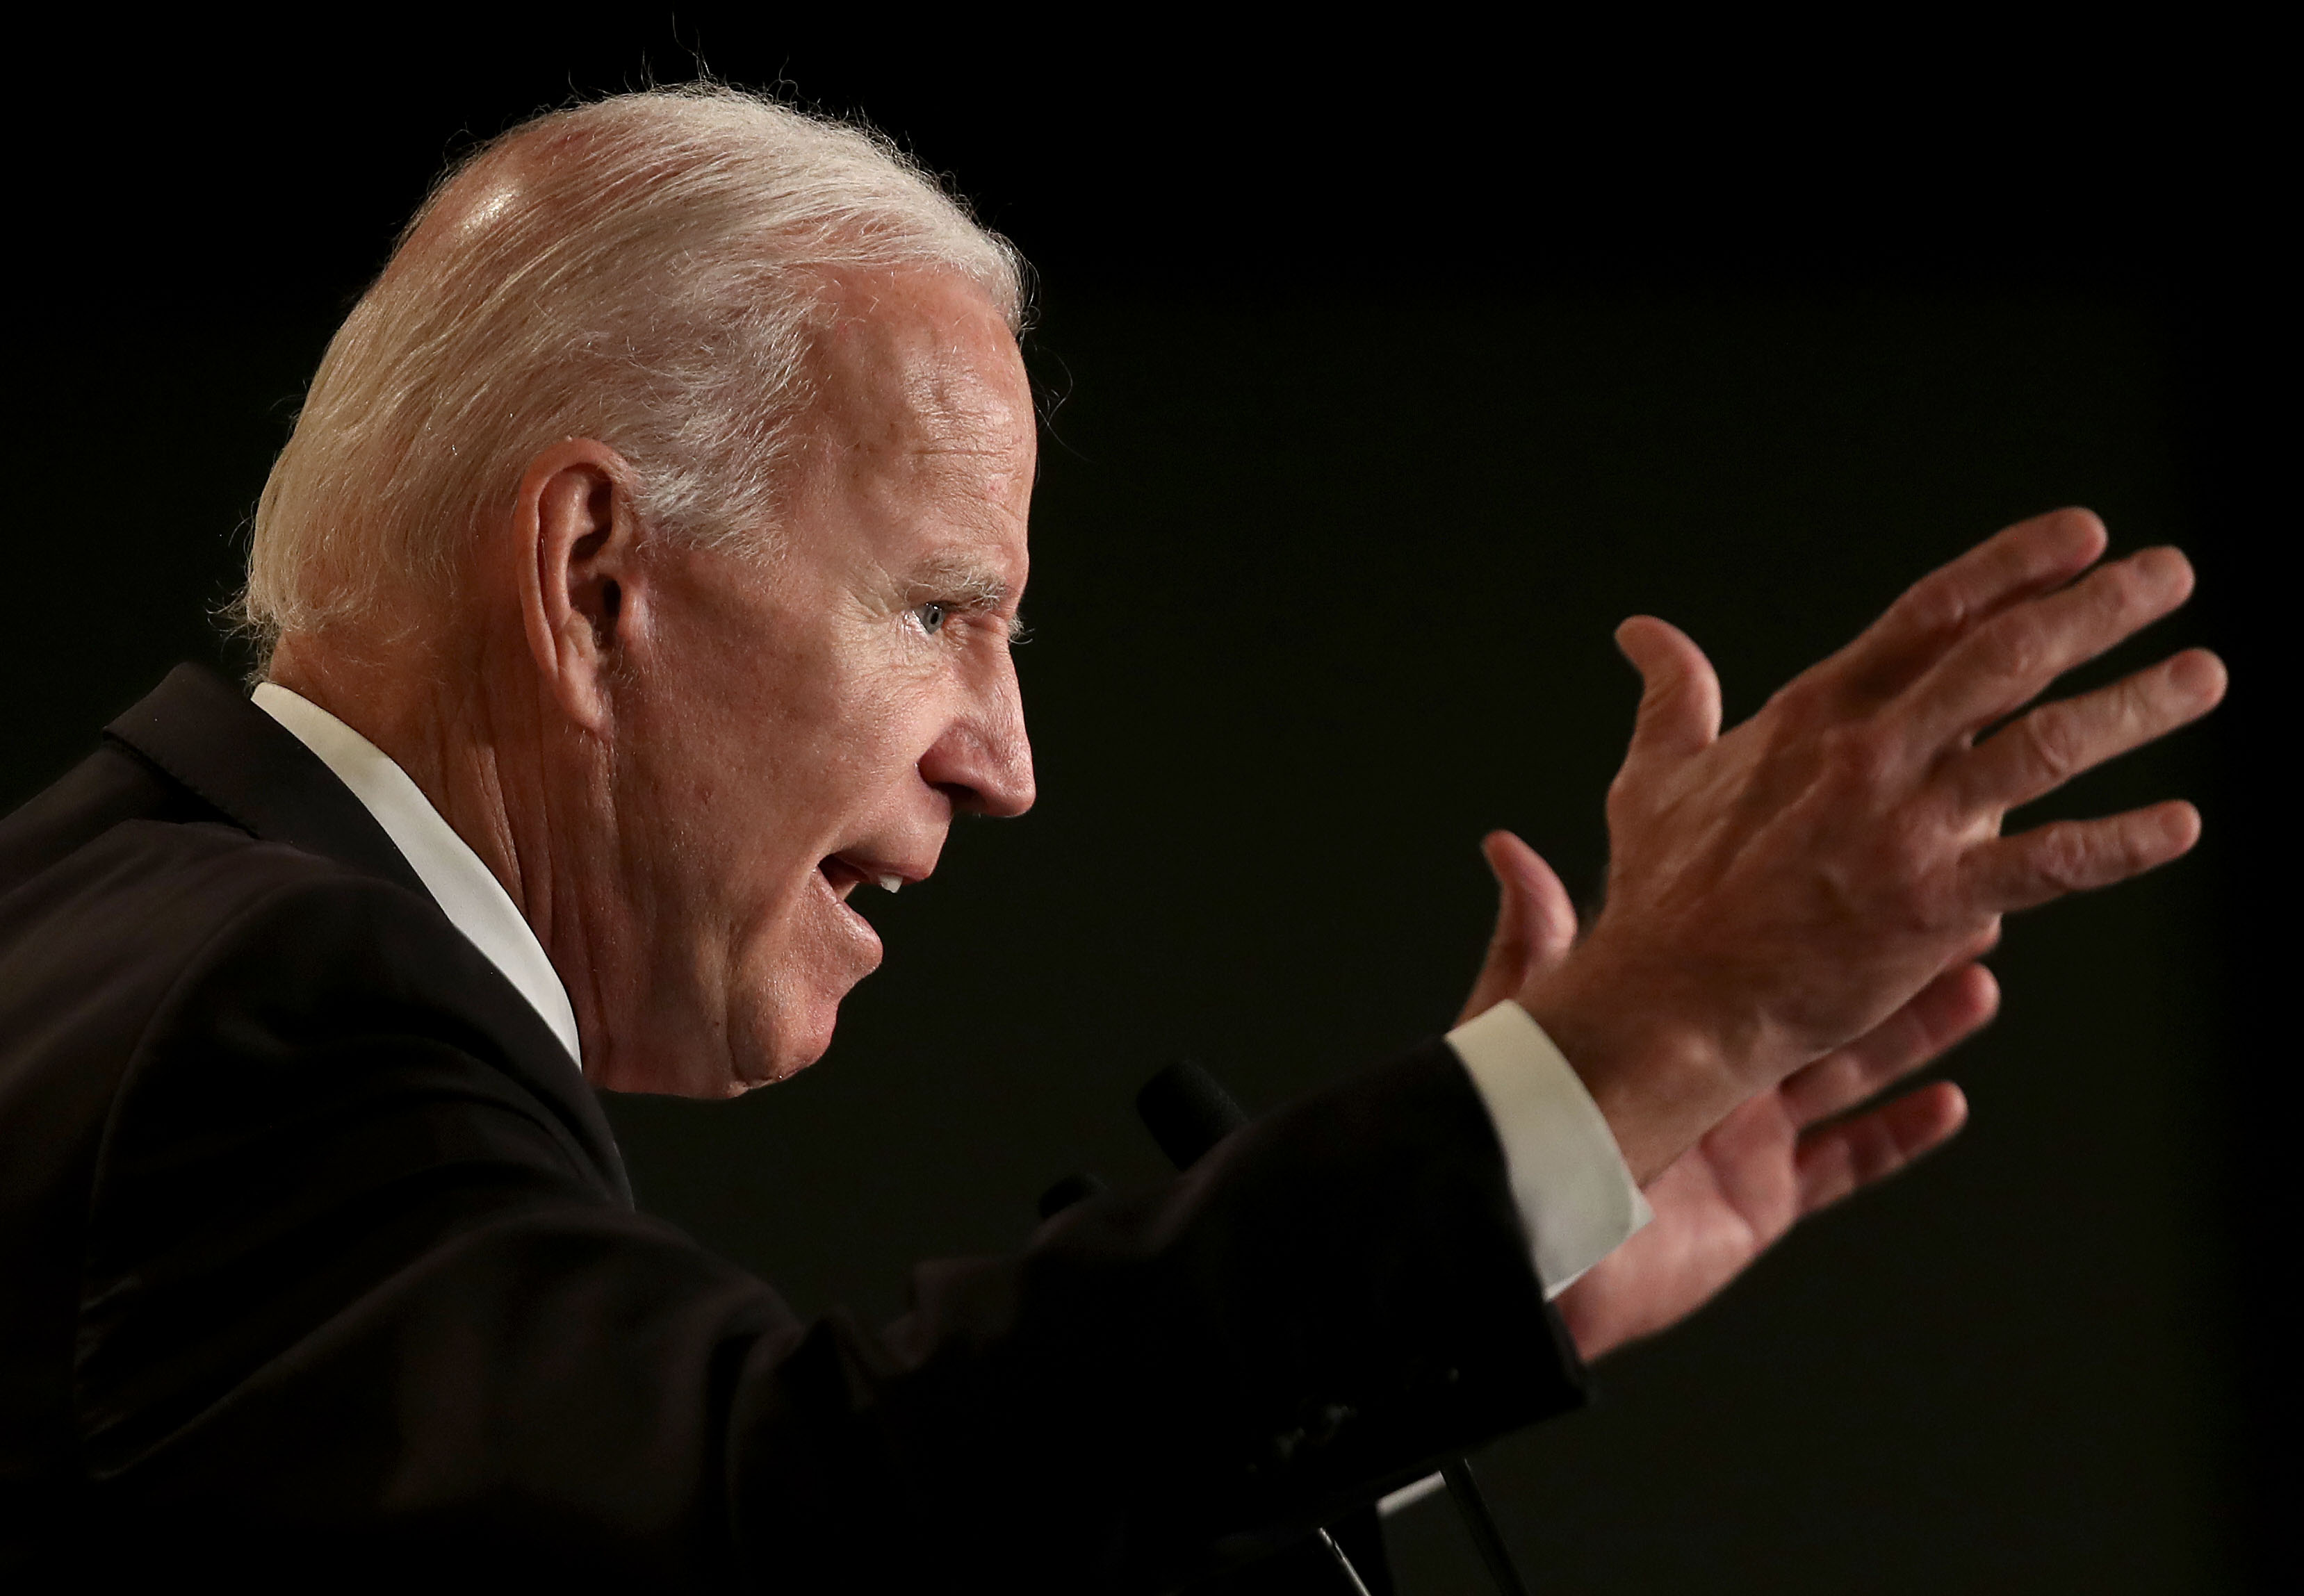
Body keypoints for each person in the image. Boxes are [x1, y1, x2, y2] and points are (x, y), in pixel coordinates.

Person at [0, 87, 2223, 1589]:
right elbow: (803, 1516)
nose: (1008, 761)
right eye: (938, 610)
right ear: (594, 576)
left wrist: (1475, 1265)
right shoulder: (280, 1012)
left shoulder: (114, 922)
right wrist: (1632, 1041)